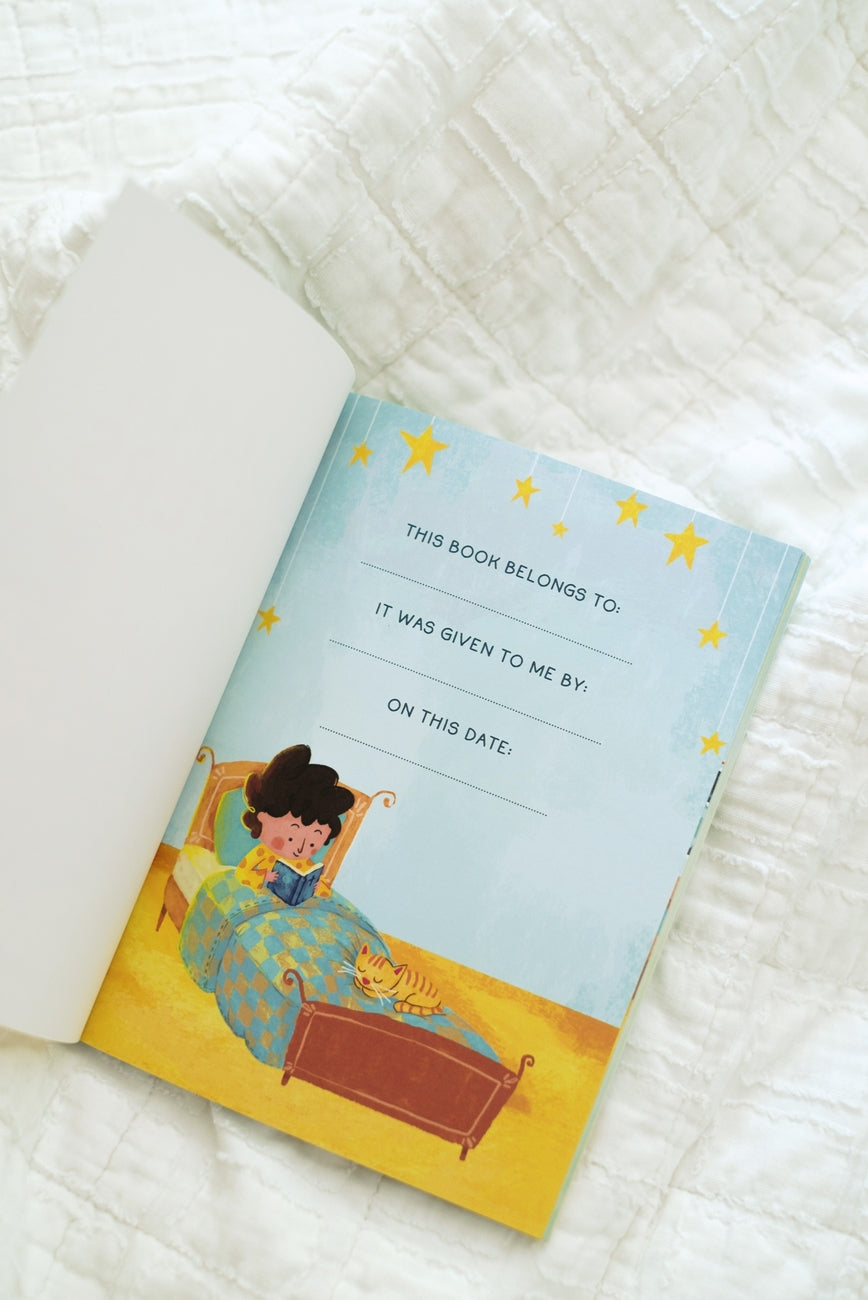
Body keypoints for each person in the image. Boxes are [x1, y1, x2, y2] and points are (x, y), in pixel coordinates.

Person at [234, 744, 355, 906]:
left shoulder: (304, 864)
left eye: (312, 844)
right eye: (290, 838)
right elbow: (241, 873)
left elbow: (323, 890)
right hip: (263, 897)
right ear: (263, 818)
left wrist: (320, 888)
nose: (299, 848)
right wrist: (263, 876)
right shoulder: (262, 852)